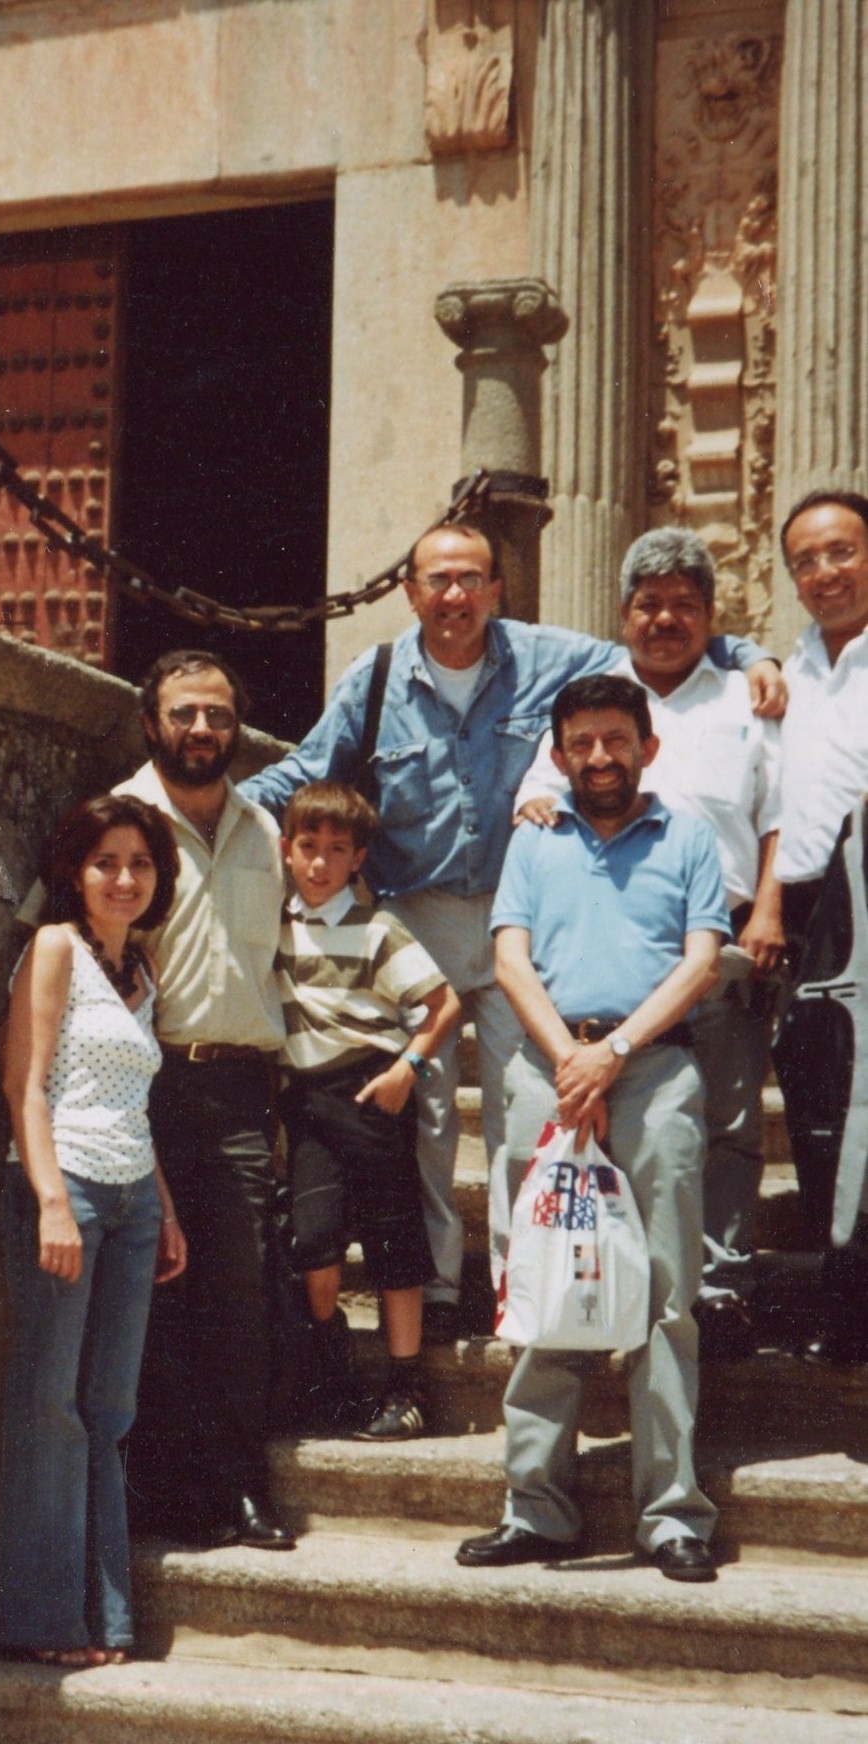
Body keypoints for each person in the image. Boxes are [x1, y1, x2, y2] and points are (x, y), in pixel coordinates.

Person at [241, 523, 783, 1342]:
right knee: (421, 1118)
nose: (454, 596)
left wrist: (749, 655)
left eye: (471, 579)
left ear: (497, 590)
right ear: (410, 591)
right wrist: (192, 812)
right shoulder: (377, 675)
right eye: (438, 580)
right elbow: (308, 769)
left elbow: (660, 642)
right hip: (413, 913)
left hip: (510, 918)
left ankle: (511, 1280)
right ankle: (440, 1287)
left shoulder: (555, 656)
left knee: (515, 1109)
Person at [456, 674, 729, 1582]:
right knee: (543, 1281)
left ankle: (673, 1514)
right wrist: (572, 1062)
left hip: (654, 1072)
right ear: (562, 752)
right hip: (550, 1070)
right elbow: (509, 957)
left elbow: (700, 963)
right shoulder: (535, 839)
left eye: (617, 739)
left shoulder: (687, 836)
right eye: (582, 742)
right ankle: (537, 1506)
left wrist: (612, 1051)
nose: (600, 757)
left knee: (666, 1294)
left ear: (647, 747)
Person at [515, 528, 783, 1358]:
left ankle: (720, 1279)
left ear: (710, 616)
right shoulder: (592, 702)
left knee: (730, 1120)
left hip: (724, 937)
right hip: (615, 945)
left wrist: (768, 908)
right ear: (623, 615)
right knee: (634, 1124)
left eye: (684, 606)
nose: (665, 620)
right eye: (648, 605)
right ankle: (615, 1279)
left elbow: (778, 815)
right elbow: (536, 801)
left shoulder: (748, 695)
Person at [0, 793, 186, 1665]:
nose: (124, 878)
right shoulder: (55, 947)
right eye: (107, 862)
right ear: (76, 871)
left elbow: (134, 1103)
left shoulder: (140, 972)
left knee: (109, 1409)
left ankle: (105, 1619)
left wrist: (165, 1210)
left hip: (135, 1198)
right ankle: (43, 1620)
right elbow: (22, 1085)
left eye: (140, 864)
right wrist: (53, 1201)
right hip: (64, 1192)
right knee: (50, 1406)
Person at [119, 650, 297, 1550]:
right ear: (152, 722)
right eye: (185, 714)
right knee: (143, 1295)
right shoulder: (120, 820)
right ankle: (155, 1496)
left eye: (218, 717)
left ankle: (238, 1493)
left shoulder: (268, 832)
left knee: (237, 1296)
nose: (202, 731)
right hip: (139, 1090)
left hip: (235, 1091)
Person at [275, 781, 461, 1438]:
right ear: (286, 851)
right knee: (314, 1245)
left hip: (371, 1091)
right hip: (308, 1101)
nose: (320, 863)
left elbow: (444, 1006)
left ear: (358, 858)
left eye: (337, 850)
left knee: (392, 1242)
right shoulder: (271, 926)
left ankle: (405, 1388)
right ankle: (335, 1373)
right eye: (308, 847)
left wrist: (406, 1070)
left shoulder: (378, 929)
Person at [770, 491, 868, 1364]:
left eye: (842, 552)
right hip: (804, 913)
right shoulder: (790, 667)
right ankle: (847, 1309)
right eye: (806, 560)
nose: (825, 573)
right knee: (821, 1109)